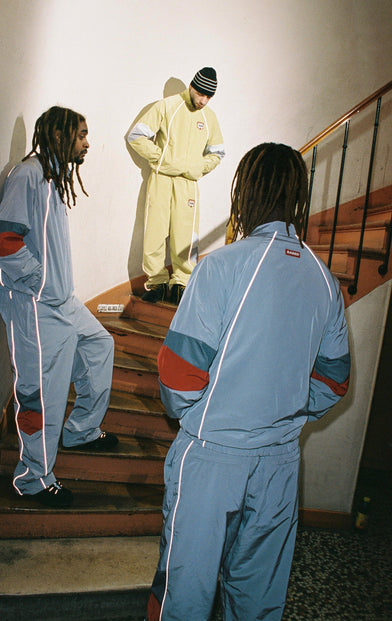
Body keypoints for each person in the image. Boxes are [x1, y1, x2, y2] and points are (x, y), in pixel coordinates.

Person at [146, 143, 351, 620]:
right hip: (280, 466)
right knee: (258, 600)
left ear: (246, 192)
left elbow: (179, 375)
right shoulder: (324, 280)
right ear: (297, 196)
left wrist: (202, 418)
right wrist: (285, 412)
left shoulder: (221, 266)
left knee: (183, 597)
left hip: (212, 459)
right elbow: (334, 381)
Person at [0, 106, 118, 509]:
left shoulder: (52, 179)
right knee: (40, 393)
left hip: (61, 301)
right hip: (34, 305)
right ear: (60, 135)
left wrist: (53, 288)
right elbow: (4, 243)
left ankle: (80, 430)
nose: (87, 143)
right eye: (81, 134)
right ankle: (33, 478)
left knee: (100, 345)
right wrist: (40, 284)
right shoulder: (27, 175)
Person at [127, 67, 225, 305]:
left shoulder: (209, 117)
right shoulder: (166, 106)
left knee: (186, 235)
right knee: (155, 231)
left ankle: (182, 283)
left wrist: (198, 168)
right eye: (200, 94)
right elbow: (136, 136)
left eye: (208, 96)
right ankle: (157, 283)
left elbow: (218, 152)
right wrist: (162, 159)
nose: (203, 101)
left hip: (188, 183)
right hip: (161, 179)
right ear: (191, 87)